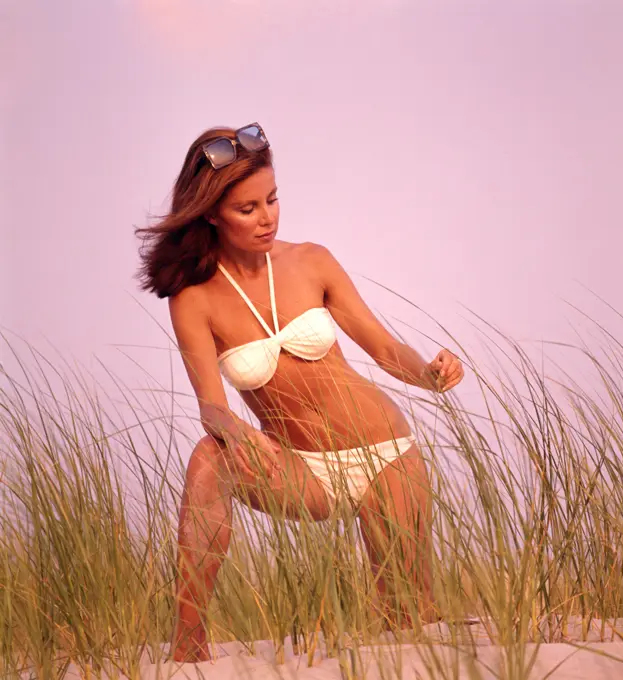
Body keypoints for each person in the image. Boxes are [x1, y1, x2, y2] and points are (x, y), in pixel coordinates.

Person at [135, 123, 464, 663]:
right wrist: (236, 433)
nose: (266, 217)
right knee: (208, 460)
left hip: (387, 454)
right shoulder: (192, 297)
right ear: (212, 212)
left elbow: (383, 349)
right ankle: (188, 644)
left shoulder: (312, 261)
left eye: (272, 199)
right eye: (247, 208)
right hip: (301, 469)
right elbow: (211, 407)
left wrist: (430, 373)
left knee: (408, 627)